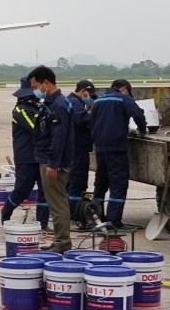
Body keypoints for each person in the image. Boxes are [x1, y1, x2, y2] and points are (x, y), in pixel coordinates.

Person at [27, 65, 75, 253]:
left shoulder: (59, 105)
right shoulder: (51, 103)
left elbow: (59, 137)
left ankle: (62, 242)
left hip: (54, 162)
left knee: (57, 203)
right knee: (55, 201)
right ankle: (59, 240)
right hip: (48, 159)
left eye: (36, 86)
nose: (35, 90)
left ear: (46, 83)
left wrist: (53, 163)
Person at [90, 78, 148, 229]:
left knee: (100, 184)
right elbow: (138, 114)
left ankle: (97, 218)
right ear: (123, 88)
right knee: (118, 184)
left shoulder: (98, 100)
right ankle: (113, 221)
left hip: (100, 147)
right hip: (116, 148)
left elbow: (92, 121)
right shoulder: (123, 98)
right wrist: (142, 130)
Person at [0, 77, 49, 231]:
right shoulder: (20, 110)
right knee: (23, 189)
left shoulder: (40, 108)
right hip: (26, 156)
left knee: (44, 189)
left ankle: (43, 222)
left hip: (40, 155)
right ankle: (6, 211)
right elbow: (34, 127)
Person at [66, 80, 96, 224]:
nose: (89, 96)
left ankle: (68, 210)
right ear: (84, 90)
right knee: (77, 181)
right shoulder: (75, 102)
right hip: (78, 148)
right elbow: (82, 120)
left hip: (72, 147)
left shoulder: (69, 100)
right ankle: (74, 213)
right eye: (89, 93)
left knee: (70, 181)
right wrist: (95, 115)